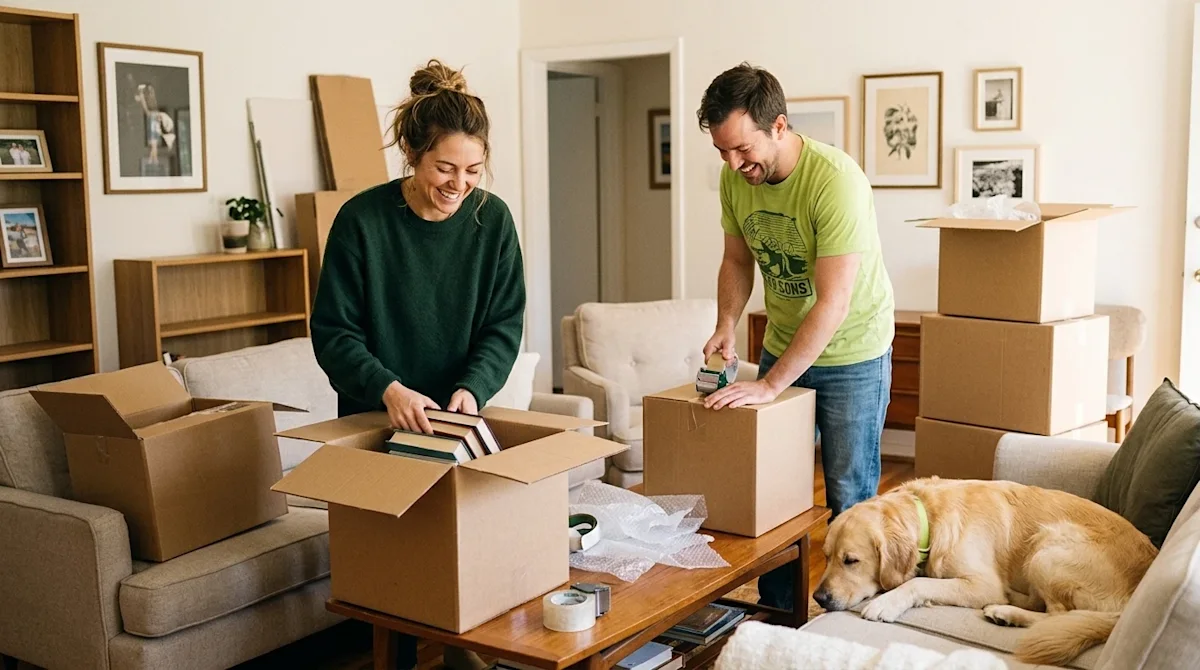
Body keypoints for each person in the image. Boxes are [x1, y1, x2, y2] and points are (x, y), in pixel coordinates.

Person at [309, 58, 525, 670]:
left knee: (469, 555)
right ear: (411, 153)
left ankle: (467, 654)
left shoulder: (493, 221)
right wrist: (388, 389)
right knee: (391, 581)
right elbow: (333, 333)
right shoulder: (362, 221)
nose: (459, 184)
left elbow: (503, 326)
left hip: (458, 422)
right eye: (444, 169)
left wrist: (473, 389)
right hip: (379, 423)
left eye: (473, 170)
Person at [695, 62, 896, 611]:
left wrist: (769, 385)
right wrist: (725, 325)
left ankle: (853, 623)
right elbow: (737, 260)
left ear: (778, 127)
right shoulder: (736, 178)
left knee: (849, 497)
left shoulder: (836, 181)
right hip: (785, 342)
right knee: (774, 495)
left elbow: (833, 304)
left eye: (741, 149)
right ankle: (780, 619)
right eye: (722, 152)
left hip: (854, 350)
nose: (734, 164)